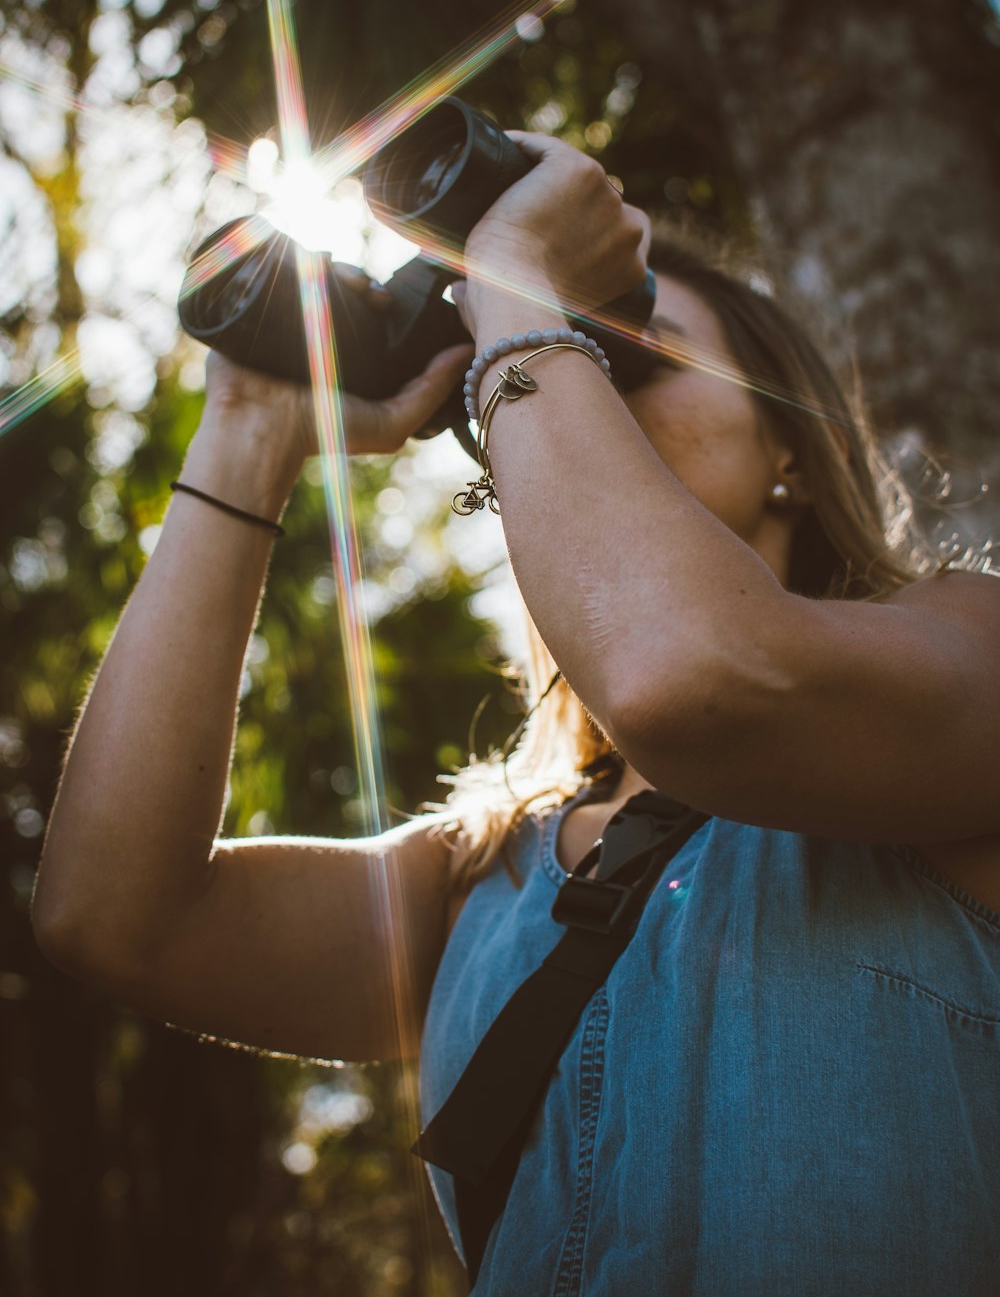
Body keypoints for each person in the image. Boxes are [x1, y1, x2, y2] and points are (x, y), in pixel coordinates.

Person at [33, 132, 1000, 1294]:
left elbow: (690, 679)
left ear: (788, 442)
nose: (576, 386)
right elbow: (112, 914)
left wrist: (519, 287)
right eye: (551, 358)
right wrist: (252, 428)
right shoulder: (480, 877)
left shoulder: (969, 653)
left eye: (628, 352)